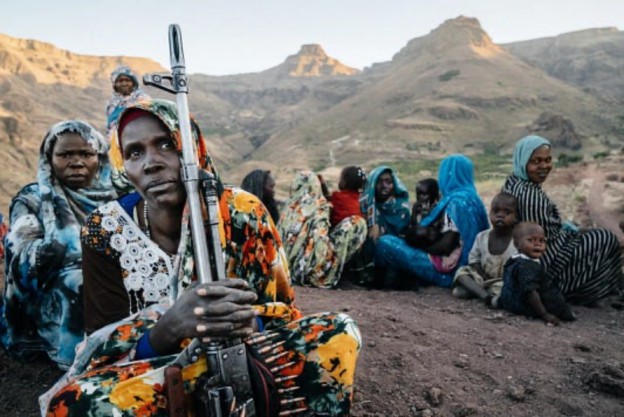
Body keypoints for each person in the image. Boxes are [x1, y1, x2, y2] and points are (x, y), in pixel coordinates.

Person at [41, 100, 360, 417]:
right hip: (155, 374)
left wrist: (249, 321)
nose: (151, 163)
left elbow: (284, 312)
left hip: (247, 360)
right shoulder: (104, 229)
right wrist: (167, 327)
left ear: (194, 148)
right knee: (74, 406)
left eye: (166, 144)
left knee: (339, 332)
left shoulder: (244, 213)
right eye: (135, 152)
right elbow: (100, 347)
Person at [1, 121, 115, 369]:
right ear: (49, 158)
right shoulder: (32, 199)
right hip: (57, 301)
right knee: (80, 280)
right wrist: (64, 249)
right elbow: (21, 263)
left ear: (100, 157)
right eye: (65, 155)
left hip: (113, 293)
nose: (76, 162)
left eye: (86, 154)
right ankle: (77, 358)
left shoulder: (117, 197)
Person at [502, 135, 623, 305]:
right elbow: (549, 238)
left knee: (593, 234)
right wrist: (578, 233)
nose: (544, 166)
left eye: (548, 160)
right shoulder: (530, 195)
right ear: (523, 161)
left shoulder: (513, 182)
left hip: (525, 251)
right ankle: (582, 291)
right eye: (536, 161)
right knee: (604, 239)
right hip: (543, 259)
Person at [375, 155, 489, 288]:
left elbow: (445, 246)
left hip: (449, 273)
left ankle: (379, 283)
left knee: (385, 242)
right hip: (469, 269)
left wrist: (421, 247)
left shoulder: (456, 203)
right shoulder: (473, 199)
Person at [277, 171, 367, 288]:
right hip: (313, 271)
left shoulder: (288, 209)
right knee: (358, 223)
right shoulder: (320, 207)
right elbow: (319, 242)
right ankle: (336, 274)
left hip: (285, 270)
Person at [498, 222, 575, 325]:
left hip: (511, 301)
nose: (537, 244)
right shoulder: (528, 266)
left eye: (542, 240)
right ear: (517, 244)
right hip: (524, 305)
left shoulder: (514, 259)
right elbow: (531, 292)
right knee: (560, 306)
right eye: (531, 240)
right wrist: (544, 314)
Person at [452, 192, 518, 303]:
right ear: (490, 213)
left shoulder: (517, 240)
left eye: (507, 212)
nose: (500, 215)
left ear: (516, 217)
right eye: (496, 211)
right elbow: (474, 259)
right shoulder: (482, 236)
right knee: (462, 272)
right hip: (482, 277)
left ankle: (479, 292)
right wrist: (482, 274)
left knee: (508, 290)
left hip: (502, 282)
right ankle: (486, 296)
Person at [105, 65, 150, 136]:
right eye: (120, 81)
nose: (124, 83)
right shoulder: (111, 104)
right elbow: (109, 127)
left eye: (127, 80)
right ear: (115, 84)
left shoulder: (142, 99)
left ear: (133, 83)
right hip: (115, 142)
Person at [404, 178, 441, 250]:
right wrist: (415, 213)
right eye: (418, 194)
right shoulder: (417, 207)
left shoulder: (437, 208)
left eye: (424, 194)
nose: (420, 197)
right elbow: (413, 225)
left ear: (433, 194)